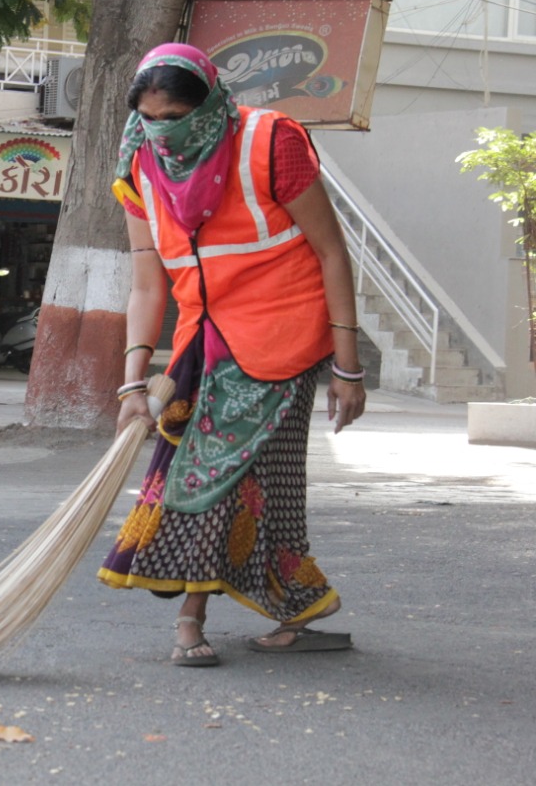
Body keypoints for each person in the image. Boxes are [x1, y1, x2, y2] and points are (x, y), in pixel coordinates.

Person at [98, 43, 367, 667]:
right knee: (245, 483)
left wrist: (347, 368)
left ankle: (191, 621)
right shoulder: (140, 163)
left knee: (225, 481)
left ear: (212, 102)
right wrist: (131, 384)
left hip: (284, 337)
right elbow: (147, 282)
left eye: (175, 116)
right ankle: (297, 606)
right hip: (202, 342)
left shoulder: (272, 142)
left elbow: (332, 252)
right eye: (150, 117)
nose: (163, 131)